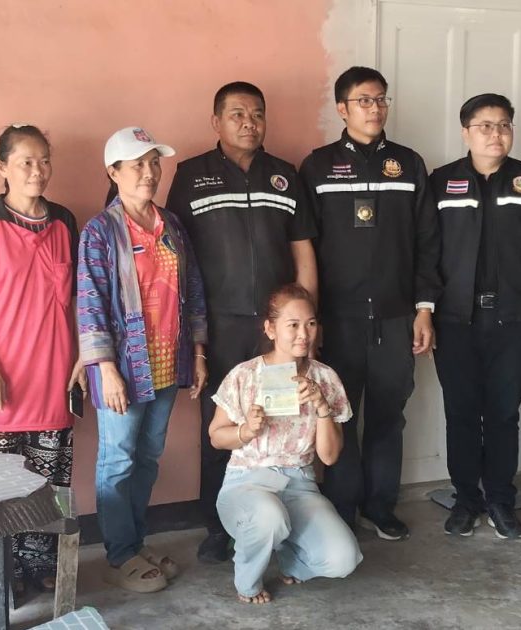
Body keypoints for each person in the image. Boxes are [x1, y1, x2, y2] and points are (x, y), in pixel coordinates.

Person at [166, 81, 318, 563]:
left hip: (274, 331)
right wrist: (193, 335)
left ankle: (279, 520)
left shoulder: (284, 175)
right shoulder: (192, 175)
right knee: (222, 425)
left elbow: (303, 253)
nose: (249, 123)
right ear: (216, 122)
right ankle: (219, 526)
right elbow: (177, 257)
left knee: (281, 420)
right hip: (219, 327)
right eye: (237, 114)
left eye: (257, 114)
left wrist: (305, 326)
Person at [298, 66, 442, 540]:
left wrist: (424, 309)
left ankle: (381, 507)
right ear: (342, 109)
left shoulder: (408, 164)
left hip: (397, 318)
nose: (375, 108)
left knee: (387, 417)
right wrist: (311, 322)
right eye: (364, 100)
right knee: (338, 414)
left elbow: (427, 242)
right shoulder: (317, 167)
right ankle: (341, 511)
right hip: (338, 321)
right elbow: (304, 247)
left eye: (381, 99)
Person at [0, 124, 84, 594]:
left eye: (44, 160)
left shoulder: (64, 222)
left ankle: (43, 565)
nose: (37, 170)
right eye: (26, 161)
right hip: (2, 375)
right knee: (0, 487)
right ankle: (0, 574)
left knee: (49, 482)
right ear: (2, 167)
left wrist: (82, 356)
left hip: (54, 375)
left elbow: (78, 297)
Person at [77, 126, 209, 592]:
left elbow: (193, 290)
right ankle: (119, 554)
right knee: (118, 460)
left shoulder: (171, 225)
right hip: (122, 368)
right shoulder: (100, 231)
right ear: (113, 172)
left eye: (154, 163)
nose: (149, 172)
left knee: (148, 457)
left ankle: (135, 542)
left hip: (167, 363)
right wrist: (105, 368)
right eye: (137, 165)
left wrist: (197, 351)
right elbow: (89, 302)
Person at [428, 94, 521, 539]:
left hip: (516, 319)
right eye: (485, 126)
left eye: (504, 125)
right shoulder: (441, 182)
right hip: (455, 320)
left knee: (505, 414)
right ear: (465, 132)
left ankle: (501, 501)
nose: (496, 134)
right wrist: (424, 311)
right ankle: (466, 499)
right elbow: (426, 254)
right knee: (461, 413)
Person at [209, 284, 361, 604]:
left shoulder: (325, 378)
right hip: (246, 483)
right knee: (268, 515)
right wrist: (245, 431)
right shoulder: (244, 375)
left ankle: (289, 559)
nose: (303, 334)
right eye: (292, 325)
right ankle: (248, 582)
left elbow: (329, 457)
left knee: (343, 558)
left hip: (299, 484)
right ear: (270, 329)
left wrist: (321, 407)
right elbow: (216, 436)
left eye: (311, 323)